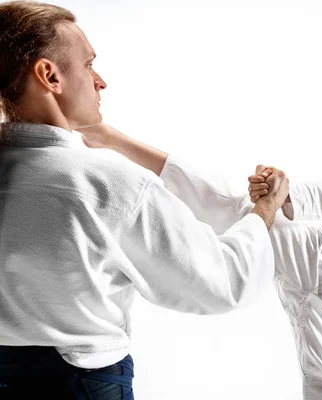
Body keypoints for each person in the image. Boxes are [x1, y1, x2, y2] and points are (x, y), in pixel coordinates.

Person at [0, 2, 288, 399]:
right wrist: (264, 211)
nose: (100, 81)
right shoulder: (109, 185)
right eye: (88, 64)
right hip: (80, 385)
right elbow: (222, 284)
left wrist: (109, 137)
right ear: (50, 76)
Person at [79, 116, 322, 399]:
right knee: (229, 203)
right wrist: (281, 194)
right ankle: (111, 138)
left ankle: (266, 196)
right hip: (317, 257)